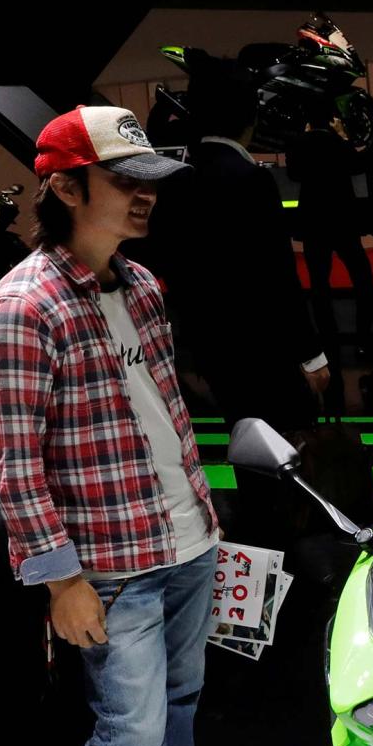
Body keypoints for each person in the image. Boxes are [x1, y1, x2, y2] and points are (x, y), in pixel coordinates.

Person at [0, 105, 268, 746]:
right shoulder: (22, 307)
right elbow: (15, 463)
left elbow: (160, 414)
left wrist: (206, 524)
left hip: (182, 538)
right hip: (109, 563)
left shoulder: (140, 285)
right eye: (124, 179)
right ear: (65, 187)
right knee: (126, 739)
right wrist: (59, 578)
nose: (144, 197)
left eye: (149, 181)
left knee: (176, 710)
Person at [145, 66, 328, 544]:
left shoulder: (177, 181)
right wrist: (311, 353)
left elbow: (171, 269)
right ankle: (288, 541)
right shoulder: (251, 179)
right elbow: (278, 277)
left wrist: (192, 348)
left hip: (213, 349)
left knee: (243, 439)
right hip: (266, 347)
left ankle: (258, 540)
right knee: (285, 445)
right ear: (249, 118)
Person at [288, 115, 373, 411]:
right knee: (361, 274)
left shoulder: (300, 141)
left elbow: (294, 174)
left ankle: (328, 338)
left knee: (318, 282)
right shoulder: (336, 141)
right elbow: (357, 166)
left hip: (315, 219)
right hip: (342, 217)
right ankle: (363, 335)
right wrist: (342, 138)